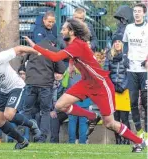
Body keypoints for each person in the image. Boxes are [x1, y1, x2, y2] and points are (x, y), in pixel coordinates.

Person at [23, 17, 147, 152]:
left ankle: (140, 142)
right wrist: (70, 66)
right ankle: (92, 116)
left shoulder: (77, 45)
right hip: (86, 83)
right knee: (59, 105)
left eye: (64, 29)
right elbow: (73, 56)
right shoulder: (74, 44)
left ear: (71, 32)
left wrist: (34, 46)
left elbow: (55, 57)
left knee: (109, 123)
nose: (61, 31)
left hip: (101, 85)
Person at [22, 11, 66, 142]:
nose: (51, 24)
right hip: (46, 84)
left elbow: (23, 65)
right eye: (49, 22)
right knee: (45, 111)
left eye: (53, 22)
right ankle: (41, 138)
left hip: (31, 83)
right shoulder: (53, 51)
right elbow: (62, 69)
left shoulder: (33, 49)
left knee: (27, 110)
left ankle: (25, 136)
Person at [122, 3, 148, 141]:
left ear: (144, 13)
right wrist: (125, 56)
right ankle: (139, 130)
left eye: (139, 11)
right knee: (132, 101)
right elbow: (125, 44)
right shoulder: (129, 28)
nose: (136, 13)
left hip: (145, 70)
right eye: (135, 11)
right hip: (131, 69)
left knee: (146, 102)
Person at [104, 35, 131, 145]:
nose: (117, 43)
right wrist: (113, 86)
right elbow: (106, 73)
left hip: (124, 91)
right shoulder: (109, 56)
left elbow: (129, 73)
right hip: (113, 90)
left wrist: (123, 86)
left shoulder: (127, 57)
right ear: (113, 44)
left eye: (119, 41)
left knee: (124, 118)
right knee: (115, 118)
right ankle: (118, 140)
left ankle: (127, 139)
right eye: (115, 42)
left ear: (122, 44)